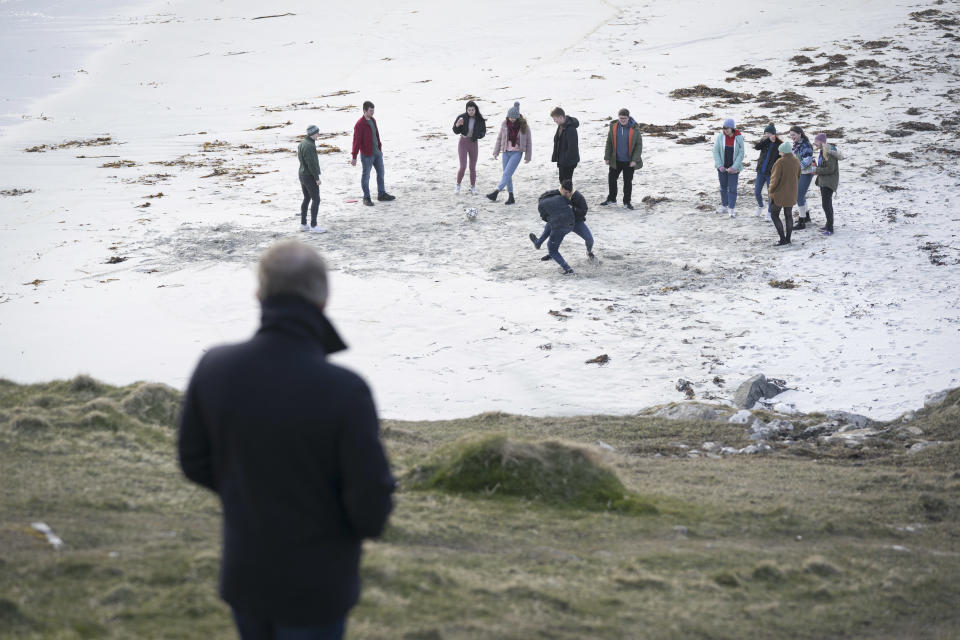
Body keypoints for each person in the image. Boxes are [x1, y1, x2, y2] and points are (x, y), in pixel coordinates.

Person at [178, 240, 395, 640]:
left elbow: (193, 459)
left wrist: (244, 492)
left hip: (247, 571)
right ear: (323, 299)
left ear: (259, 293)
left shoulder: (215, 367)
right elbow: (370, 503)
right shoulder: (345, 390)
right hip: (319, 582)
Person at [530, 179, 594, 261]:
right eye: (565, 192)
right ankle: (545, 248)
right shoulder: (555, 193)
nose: (567, 194)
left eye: (569, 193)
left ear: (572, 190)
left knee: (589, 239)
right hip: (559, 221)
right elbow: (543, 201)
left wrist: (572, 209)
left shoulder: (578, 196)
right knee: (549, 232)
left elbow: (583, 211)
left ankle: (589, 252)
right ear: (562, 189)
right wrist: (549, 218)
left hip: (576, 222)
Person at [350, 101, 396, 206]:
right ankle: (366, 198)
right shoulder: (359, 124)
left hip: (377, 153)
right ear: (364, 110)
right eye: (370, 111)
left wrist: (380, 148)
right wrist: (354, 156)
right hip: (367, 155)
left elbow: (376, 135)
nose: (372, 113)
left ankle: (382, 194)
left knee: (381, 173)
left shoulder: (373, 120)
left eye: (373, 110)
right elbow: (356, 141)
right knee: (366, 176)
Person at [488, 102, 532, 204]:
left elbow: (529, 141)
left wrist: (528, 156)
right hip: (506, 152)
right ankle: (511, 197)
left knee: (507, 173)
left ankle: (496, 191)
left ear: (517, 117)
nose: (511, 119)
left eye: (513, 117)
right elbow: (499, 138)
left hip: (516, 153)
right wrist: (496, 151)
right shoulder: (504, 124)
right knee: (507, 175)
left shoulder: (524, 126)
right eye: (509, 117)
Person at [532, 180, 577, 274]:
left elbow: (544, 217)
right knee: (549, 224)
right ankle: (538, 242)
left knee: (552, 249)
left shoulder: (541, 204)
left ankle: (568, 269)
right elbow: (571, 204)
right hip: (572, 223)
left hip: (560, 227)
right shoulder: (559, 197)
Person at [601, 108, 643, 210]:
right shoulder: (613, 127)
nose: (622, 120)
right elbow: (609, 143)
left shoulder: (635, 129)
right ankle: (611, 199)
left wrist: (634, 160)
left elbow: (638, 146)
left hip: (629, 162)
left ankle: (627, 202)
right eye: (621, 118)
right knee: (611, 179)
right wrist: (607, 157)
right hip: (616, 160)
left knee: (627, 182)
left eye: (624, 118)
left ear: (628, 117)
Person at [768, 141, 800, 246]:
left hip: (779, 193)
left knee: (774, 214)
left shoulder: (780, 162)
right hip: (791, 193)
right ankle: (788, 239)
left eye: (780, 151)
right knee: (788, 215)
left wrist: (771, 190)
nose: (779, 152)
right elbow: (798, 176)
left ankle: (782, 239)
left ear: (784, 151)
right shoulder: (796, 161)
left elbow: (774, 179)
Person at [712, 118, 744, 217]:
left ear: (732, 128)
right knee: (723, 188)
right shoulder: (720, 137)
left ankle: (731, 208)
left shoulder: (738, 138)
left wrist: (734, 167)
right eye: (724, 128)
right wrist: (719, 165)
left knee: (733, 189)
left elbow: (741, 153)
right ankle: (724, 206)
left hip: (734, 169)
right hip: (722, 168)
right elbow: (715, 151)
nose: (725, 130)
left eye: (727, 128)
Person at [452, 100, 486, 195]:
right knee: (463, 166)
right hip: (463, 142)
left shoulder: (479, 119)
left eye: (472, 110)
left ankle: (473, 187)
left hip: (473, 143)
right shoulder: (461, 117)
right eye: (469, 110)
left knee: (472, 167)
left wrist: (479, 136)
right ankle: (458, 185)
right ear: (466, 110)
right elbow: (455, 131)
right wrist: (457, 125)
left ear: (475, 110)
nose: (471, 111)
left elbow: (483, 131)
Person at [297, 125, 326, 233]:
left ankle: (303, 224)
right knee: (316, 199)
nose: (318, 135)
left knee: (306, 198)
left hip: (302, 174)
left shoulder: (302, 143)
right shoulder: (309, 145)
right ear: (313, 134)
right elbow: (311, 164)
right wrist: (317, 178)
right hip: (309, 176)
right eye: (317, 133)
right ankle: (314, 225)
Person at [812, 132, 841, 235]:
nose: (814, 143)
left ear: (821, 141)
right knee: (826, 204)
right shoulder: (823, 151)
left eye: (816, 141)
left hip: (829, 181)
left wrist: (816, 169)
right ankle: (828, 224)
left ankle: (830, 229)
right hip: (824, 181)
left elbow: (830, 169)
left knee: (826, 205)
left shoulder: (828, 152)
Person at [752, 124, 782, 217]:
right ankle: (761, 206)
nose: (766, 134)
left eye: (769, 133)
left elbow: (781, 158)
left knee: (771, 194)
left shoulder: (779, 144)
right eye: (765, 133)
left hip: (771, 173)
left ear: (774, 134)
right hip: (761, 171)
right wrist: (767, 140)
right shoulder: (764, 141)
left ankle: (769, 212)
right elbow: (757, 147)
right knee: (757, 192)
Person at [788, 125, 815, 228]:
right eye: (791, 135)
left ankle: (802, 221)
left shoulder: (806, 145)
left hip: (806, 173)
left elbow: (807, 161)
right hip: (799, 172)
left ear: (800, 134)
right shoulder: (796, 144)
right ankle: (807, 216)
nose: (792, 137)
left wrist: (797, 168)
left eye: (794, 135)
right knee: (801, 195)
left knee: (798, 196)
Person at [550, 107, 580, 184]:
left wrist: (565, 159)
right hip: (562, 160)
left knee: (566, 183)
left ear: (560, 117)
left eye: (555, 118)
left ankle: (569, 196)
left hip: (568, 162)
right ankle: (566, 196)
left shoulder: (570, 128)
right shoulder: (561, 126)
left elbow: (572, 147)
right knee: (562, 181)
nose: (554, 121)